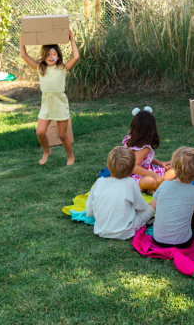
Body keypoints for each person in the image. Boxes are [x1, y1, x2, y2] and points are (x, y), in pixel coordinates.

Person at [19, 29, 79, 165]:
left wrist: (72, 40)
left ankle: (70, 156)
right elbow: (24, 55)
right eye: (47, 55)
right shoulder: (40, 68)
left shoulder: (63, 69)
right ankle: (47, 151)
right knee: (40, 132)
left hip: (60, 103)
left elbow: (76, 57)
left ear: (58, 56)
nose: (50, 57)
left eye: (53, 54)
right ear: (43, 56)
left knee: (63, 135)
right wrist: (22, 37)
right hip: (46, 103)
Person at [86, 146, 156, 240]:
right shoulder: (130, 182)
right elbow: (141, 207)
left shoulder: (99, 182)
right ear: (132, 169)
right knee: (154, 203)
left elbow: (90, 211)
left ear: (108, 165)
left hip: (101, 230)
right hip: (125, 231)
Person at [152, 146, 194, 248]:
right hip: (182, 242)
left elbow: (156, 199)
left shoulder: (164, 185)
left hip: (158, 239)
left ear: (174, 166)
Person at [122, 107, 176, 194]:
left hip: (136, 172)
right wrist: (155, 176)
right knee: (151, 181)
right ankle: (152, 187)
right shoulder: (144, 147)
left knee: (174, 166)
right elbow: (134, 166)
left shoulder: (130, 137)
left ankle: (151, 186)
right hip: (133, 178)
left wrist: (160, 163)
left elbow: (142, 158)